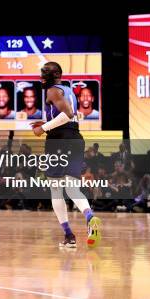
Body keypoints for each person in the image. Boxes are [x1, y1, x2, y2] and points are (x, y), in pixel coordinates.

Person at [31, 62, 101, 248]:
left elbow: (68, 114)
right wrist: (45, 122)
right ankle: (89, 216)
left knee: (56, 189)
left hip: (58, 141)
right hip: (76, 139)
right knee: (72, 189)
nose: (41, 79)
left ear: (50, 76)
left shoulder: (52, 91)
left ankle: (69, 236)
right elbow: (67, 116)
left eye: (43, 75)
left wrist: (43, 129)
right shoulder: (67, 90)